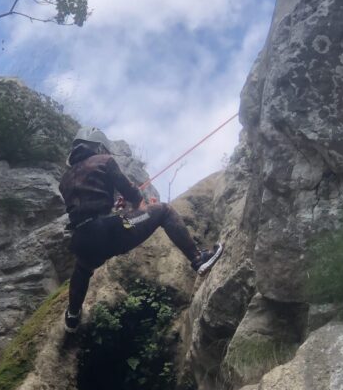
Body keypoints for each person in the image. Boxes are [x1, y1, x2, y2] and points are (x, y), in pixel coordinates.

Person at [59, 127, 223, 331]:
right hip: (108, 231)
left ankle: (72, 316)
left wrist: (115, 210)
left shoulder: (64, 180)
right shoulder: (104, 161)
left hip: (81, 239)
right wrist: (138, 205)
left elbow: (88, 208)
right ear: (99, 146)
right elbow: (130, 192)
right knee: (163, 211)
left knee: (83, 268)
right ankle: (198, 260)